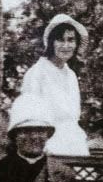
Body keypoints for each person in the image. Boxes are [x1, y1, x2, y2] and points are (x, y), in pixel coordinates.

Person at [20, 13, 91, 156]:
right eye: (60, 40)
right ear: (51, 42)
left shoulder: (71, 75)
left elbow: (73, 118)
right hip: (48, 149)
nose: (66, 45)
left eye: (71, 40)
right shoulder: (37, 73)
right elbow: (28, 119)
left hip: (75, 146)